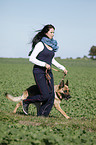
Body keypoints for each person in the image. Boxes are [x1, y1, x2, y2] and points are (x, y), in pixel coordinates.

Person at [22, 24, 68, 117]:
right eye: (51, 32)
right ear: (45, 33)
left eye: (54, 32)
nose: (53, 34)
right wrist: (44, 64)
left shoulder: (51, 46)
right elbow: (32, 58)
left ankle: (42, 116)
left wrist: (62, 68)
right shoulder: (40, 44)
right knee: (45, 95)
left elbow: (52, 59)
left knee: (51, 96)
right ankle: (26, 101)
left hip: (48, 72)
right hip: (39, 72)